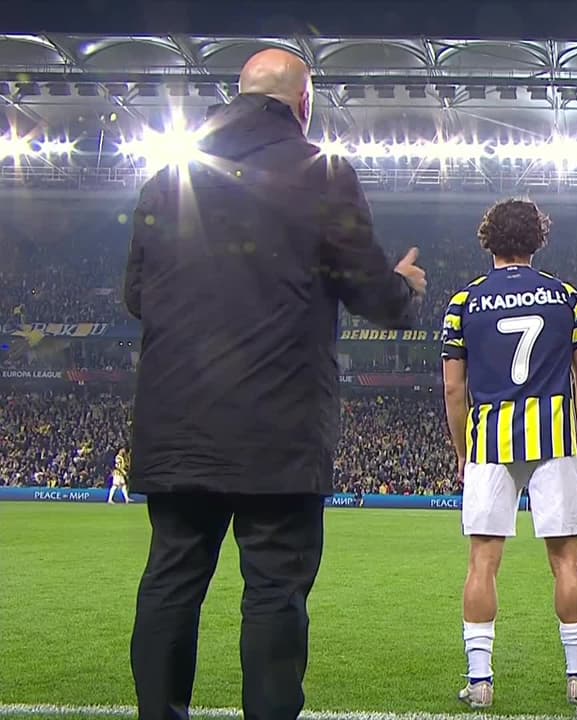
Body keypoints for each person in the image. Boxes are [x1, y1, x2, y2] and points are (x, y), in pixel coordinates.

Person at [125, 48, 425, 720]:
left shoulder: (168, 178)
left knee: (171, 581)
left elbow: (137, 297)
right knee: (274, 592)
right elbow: (372, 294)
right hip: (279, 428)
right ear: (304, 103)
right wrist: (404, 288)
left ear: (237, 94)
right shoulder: (321, 174)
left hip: (180, 426)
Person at [441, 198, 577, 709]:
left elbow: (453, 388)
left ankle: (480, 681)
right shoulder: (566, 298)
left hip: (490, 441)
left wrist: (462, 449)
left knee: (482, 563)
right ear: (538, 238)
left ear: (488, 239)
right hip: (553, 439)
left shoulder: (463, 302)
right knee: (566, 560)